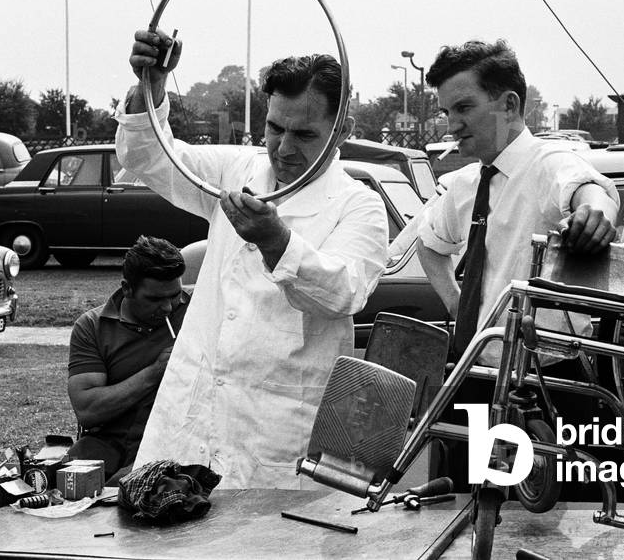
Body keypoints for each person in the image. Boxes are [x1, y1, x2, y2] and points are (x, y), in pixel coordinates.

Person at [116, 30, 388, 489]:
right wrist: (151, 85)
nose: (283, 148)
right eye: (275, 128)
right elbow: (151, 159)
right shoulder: (237, 170)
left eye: (304, 134)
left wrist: (276, 241)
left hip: (277, 429)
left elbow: (344, 292)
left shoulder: (357, 205)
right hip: (194, 413)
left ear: (342, 128)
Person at [416, 39, 619, 493]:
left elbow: (589, 188)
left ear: (509, 104)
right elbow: (429, 246)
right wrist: (455, 305)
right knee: (479, 513)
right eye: (447, 111)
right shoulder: (465, 184)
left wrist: (595, 213)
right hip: (480, 377)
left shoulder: (549, 164)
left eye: (464, 107)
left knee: (553, 524)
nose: (452, 125)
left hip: (549, 384)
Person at [67, 235, 188, 485]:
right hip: (108, 444)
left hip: (173, 441)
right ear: (127, 288)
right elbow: (88, 410)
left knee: (127, 488)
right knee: (67, 485)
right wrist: (155, 372)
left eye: (174, 295)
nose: (167, 307)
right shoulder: (92, 326)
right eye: (154, 299)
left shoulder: (195, 313)